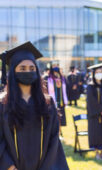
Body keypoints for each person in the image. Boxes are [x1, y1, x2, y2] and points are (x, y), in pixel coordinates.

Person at [0, 42, 69, 170]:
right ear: (13, 72)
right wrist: (8, 166)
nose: (28, 71)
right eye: (22, 68)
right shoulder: (3, 104)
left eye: (32, 69)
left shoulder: (47, 103)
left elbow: (54, 141)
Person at [47, 64, 68, 128]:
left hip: (61, 101)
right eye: (54, 66)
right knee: (54, 118)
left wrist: (65, 100)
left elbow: (64, 90)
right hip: (53, 100)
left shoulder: (62, 78)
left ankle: (60, 131)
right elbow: (49, 90)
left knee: (61, 118)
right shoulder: (49, 79)